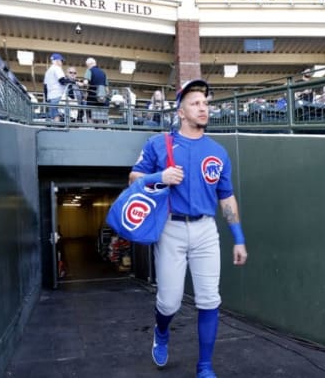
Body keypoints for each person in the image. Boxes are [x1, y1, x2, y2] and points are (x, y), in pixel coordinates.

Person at [129, 79, 249, 378]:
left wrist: (238, 238)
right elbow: (133, 179)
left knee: (209, 299)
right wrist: (160, 176)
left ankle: (205, 366)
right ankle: (161, 329)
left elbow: (226, 197)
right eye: (195, 103)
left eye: (205, 103)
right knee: (169, 301)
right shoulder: (160, 143)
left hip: (206, 229)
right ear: (181, 111)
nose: (202, 108)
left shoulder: (218, 151)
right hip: (171, 228)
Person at [43, 53, 73, 122]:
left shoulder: (48, 72)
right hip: (58, 95)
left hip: (50, 97)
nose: (62, 63)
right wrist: (73, 82)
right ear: (57, 61)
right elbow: (62, 80)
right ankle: (57, 130)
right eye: (61, 61)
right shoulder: (57, 68)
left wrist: (47, 98)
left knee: (53, 116)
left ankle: (54, 129)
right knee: (59, 116)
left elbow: (45, 87)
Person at [82, 57, 109, 123]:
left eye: (87, 65)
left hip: (92, 98)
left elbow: (85, 83)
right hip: (102, 99)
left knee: (90, 116)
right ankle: (100, 129)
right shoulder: (103, 73)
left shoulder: (89, 71)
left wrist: (84, 91)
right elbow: (107, 90)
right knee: (100, 118)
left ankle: (91, 128)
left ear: (89, 64)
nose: (87, 67)